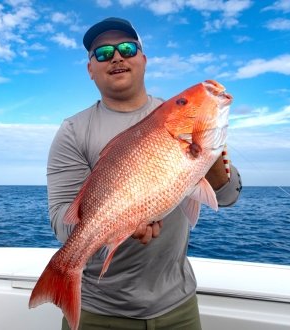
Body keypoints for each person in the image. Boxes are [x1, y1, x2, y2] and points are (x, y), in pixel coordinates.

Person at [47, 17, 242, 330]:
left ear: (143, 59)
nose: (117, 57)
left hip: (178, 305)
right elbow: (61, 220)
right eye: (103, 53)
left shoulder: (172, 116)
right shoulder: (73, 131)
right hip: (99, 313)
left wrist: (207, 151)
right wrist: (120, 223)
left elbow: (228, 196)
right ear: (90, 70)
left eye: (127, 48)